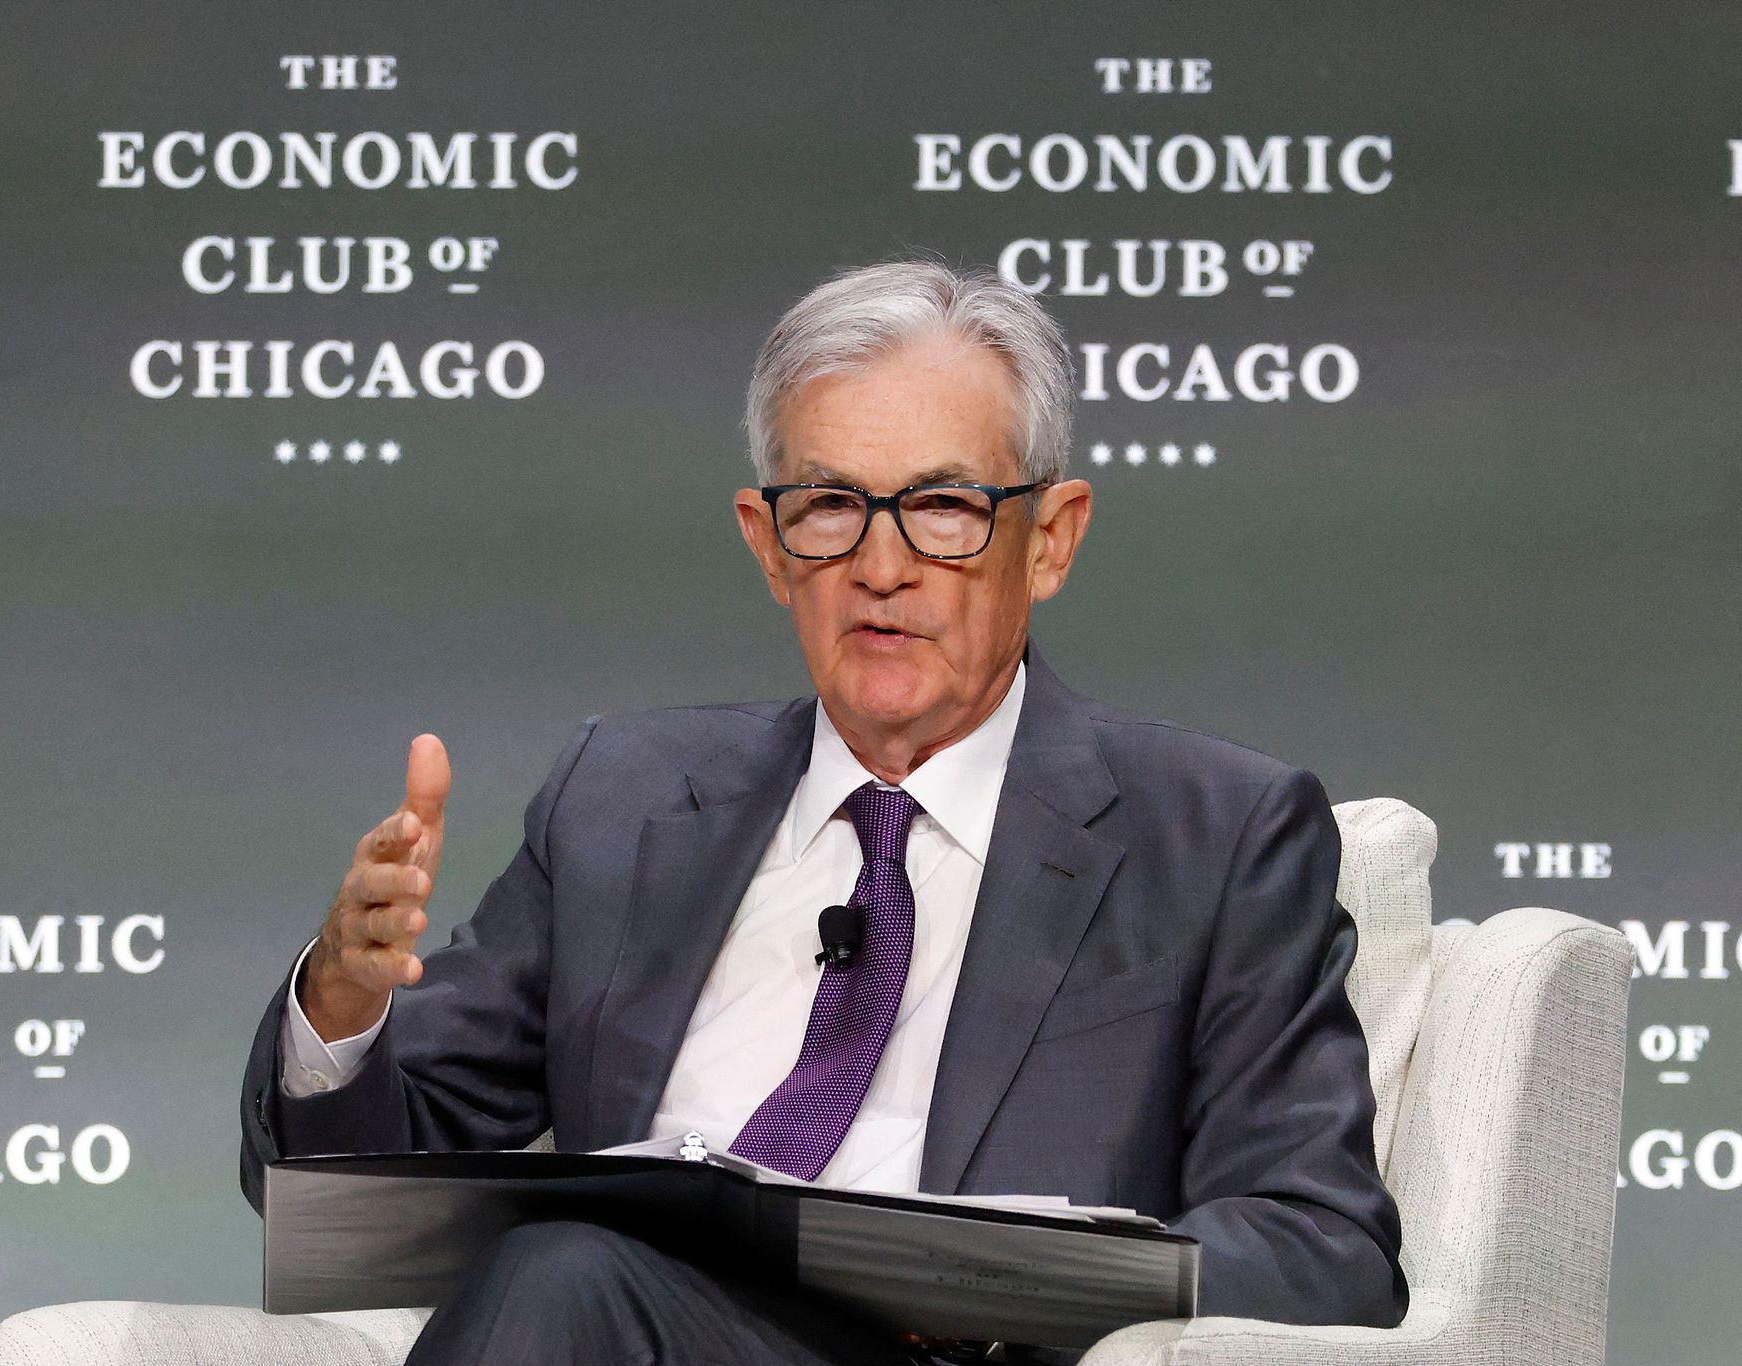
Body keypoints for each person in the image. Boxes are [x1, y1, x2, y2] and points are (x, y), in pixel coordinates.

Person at [238, 259, 1407, 1364]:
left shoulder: (1211, 837)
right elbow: (354, 1194)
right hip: (619, 1333)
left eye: (942, 505)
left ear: (1047, 541)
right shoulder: (623, 801)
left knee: (559, 1273)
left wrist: (995, 1270)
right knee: (560, 1275)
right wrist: (339, 1005)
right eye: (831, 505)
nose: (880, 565)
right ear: (767, 545)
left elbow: (1322, 1250)